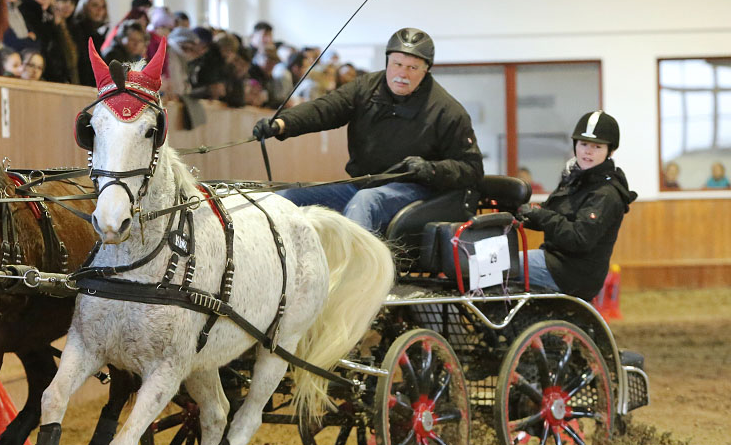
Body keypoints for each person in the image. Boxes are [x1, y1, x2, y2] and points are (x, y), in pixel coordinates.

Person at [253, 27, 483, 235]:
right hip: (363, 183)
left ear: (426, 70)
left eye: (413, 67)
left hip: (415, 191)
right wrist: (281, 123)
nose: (403, 74)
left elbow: (472, 169)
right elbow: (326, 108)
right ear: (387, 62)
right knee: (286, 198)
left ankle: (358, 279)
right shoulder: (365, 88)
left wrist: (430, 169)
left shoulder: (447, 111)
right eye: (397, 64)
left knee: (365, 202)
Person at [516, 110, 637, 300]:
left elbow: (579, 238)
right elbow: (549, 215)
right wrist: (517, 212)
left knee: (500, 266)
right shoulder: (575, 180)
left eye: (597, 146)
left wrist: (539, 215)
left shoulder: (606, 193)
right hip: (555, 261)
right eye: (583, 144)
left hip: (572, 273)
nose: (588, 151)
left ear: (610, 151)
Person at [71, 0, 108, 86]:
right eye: (95, 5)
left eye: (103, 6)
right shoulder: (77, 30)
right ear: (84, 6)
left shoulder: (97, 34)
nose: (99, 10)